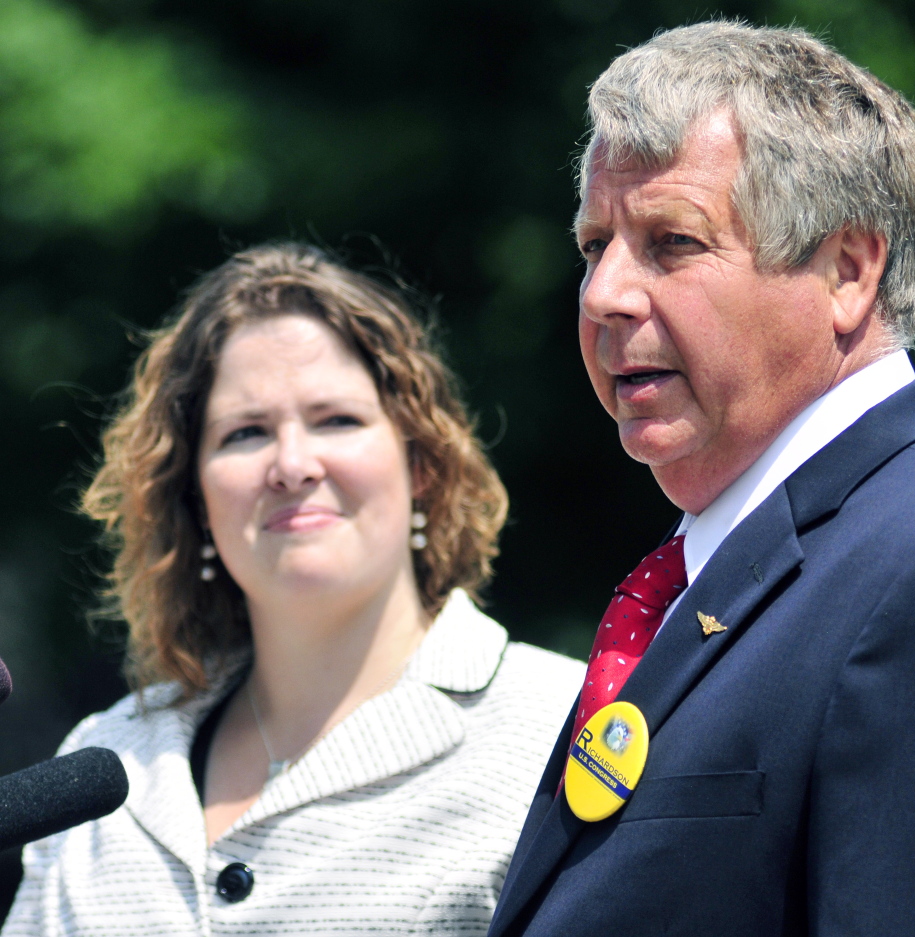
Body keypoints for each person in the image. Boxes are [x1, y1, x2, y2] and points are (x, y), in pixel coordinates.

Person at [488, 21, 915, 937]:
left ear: (848, 271)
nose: (605, 293)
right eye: (593, 244)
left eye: (672, 242)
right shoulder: (724, 565)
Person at [2, 243, 584, 937]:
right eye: (245, 433)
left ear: (421, 463)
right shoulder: (106, 755)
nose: (292, 464)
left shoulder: (558, 732)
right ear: (192, 497)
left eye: (336, 419)